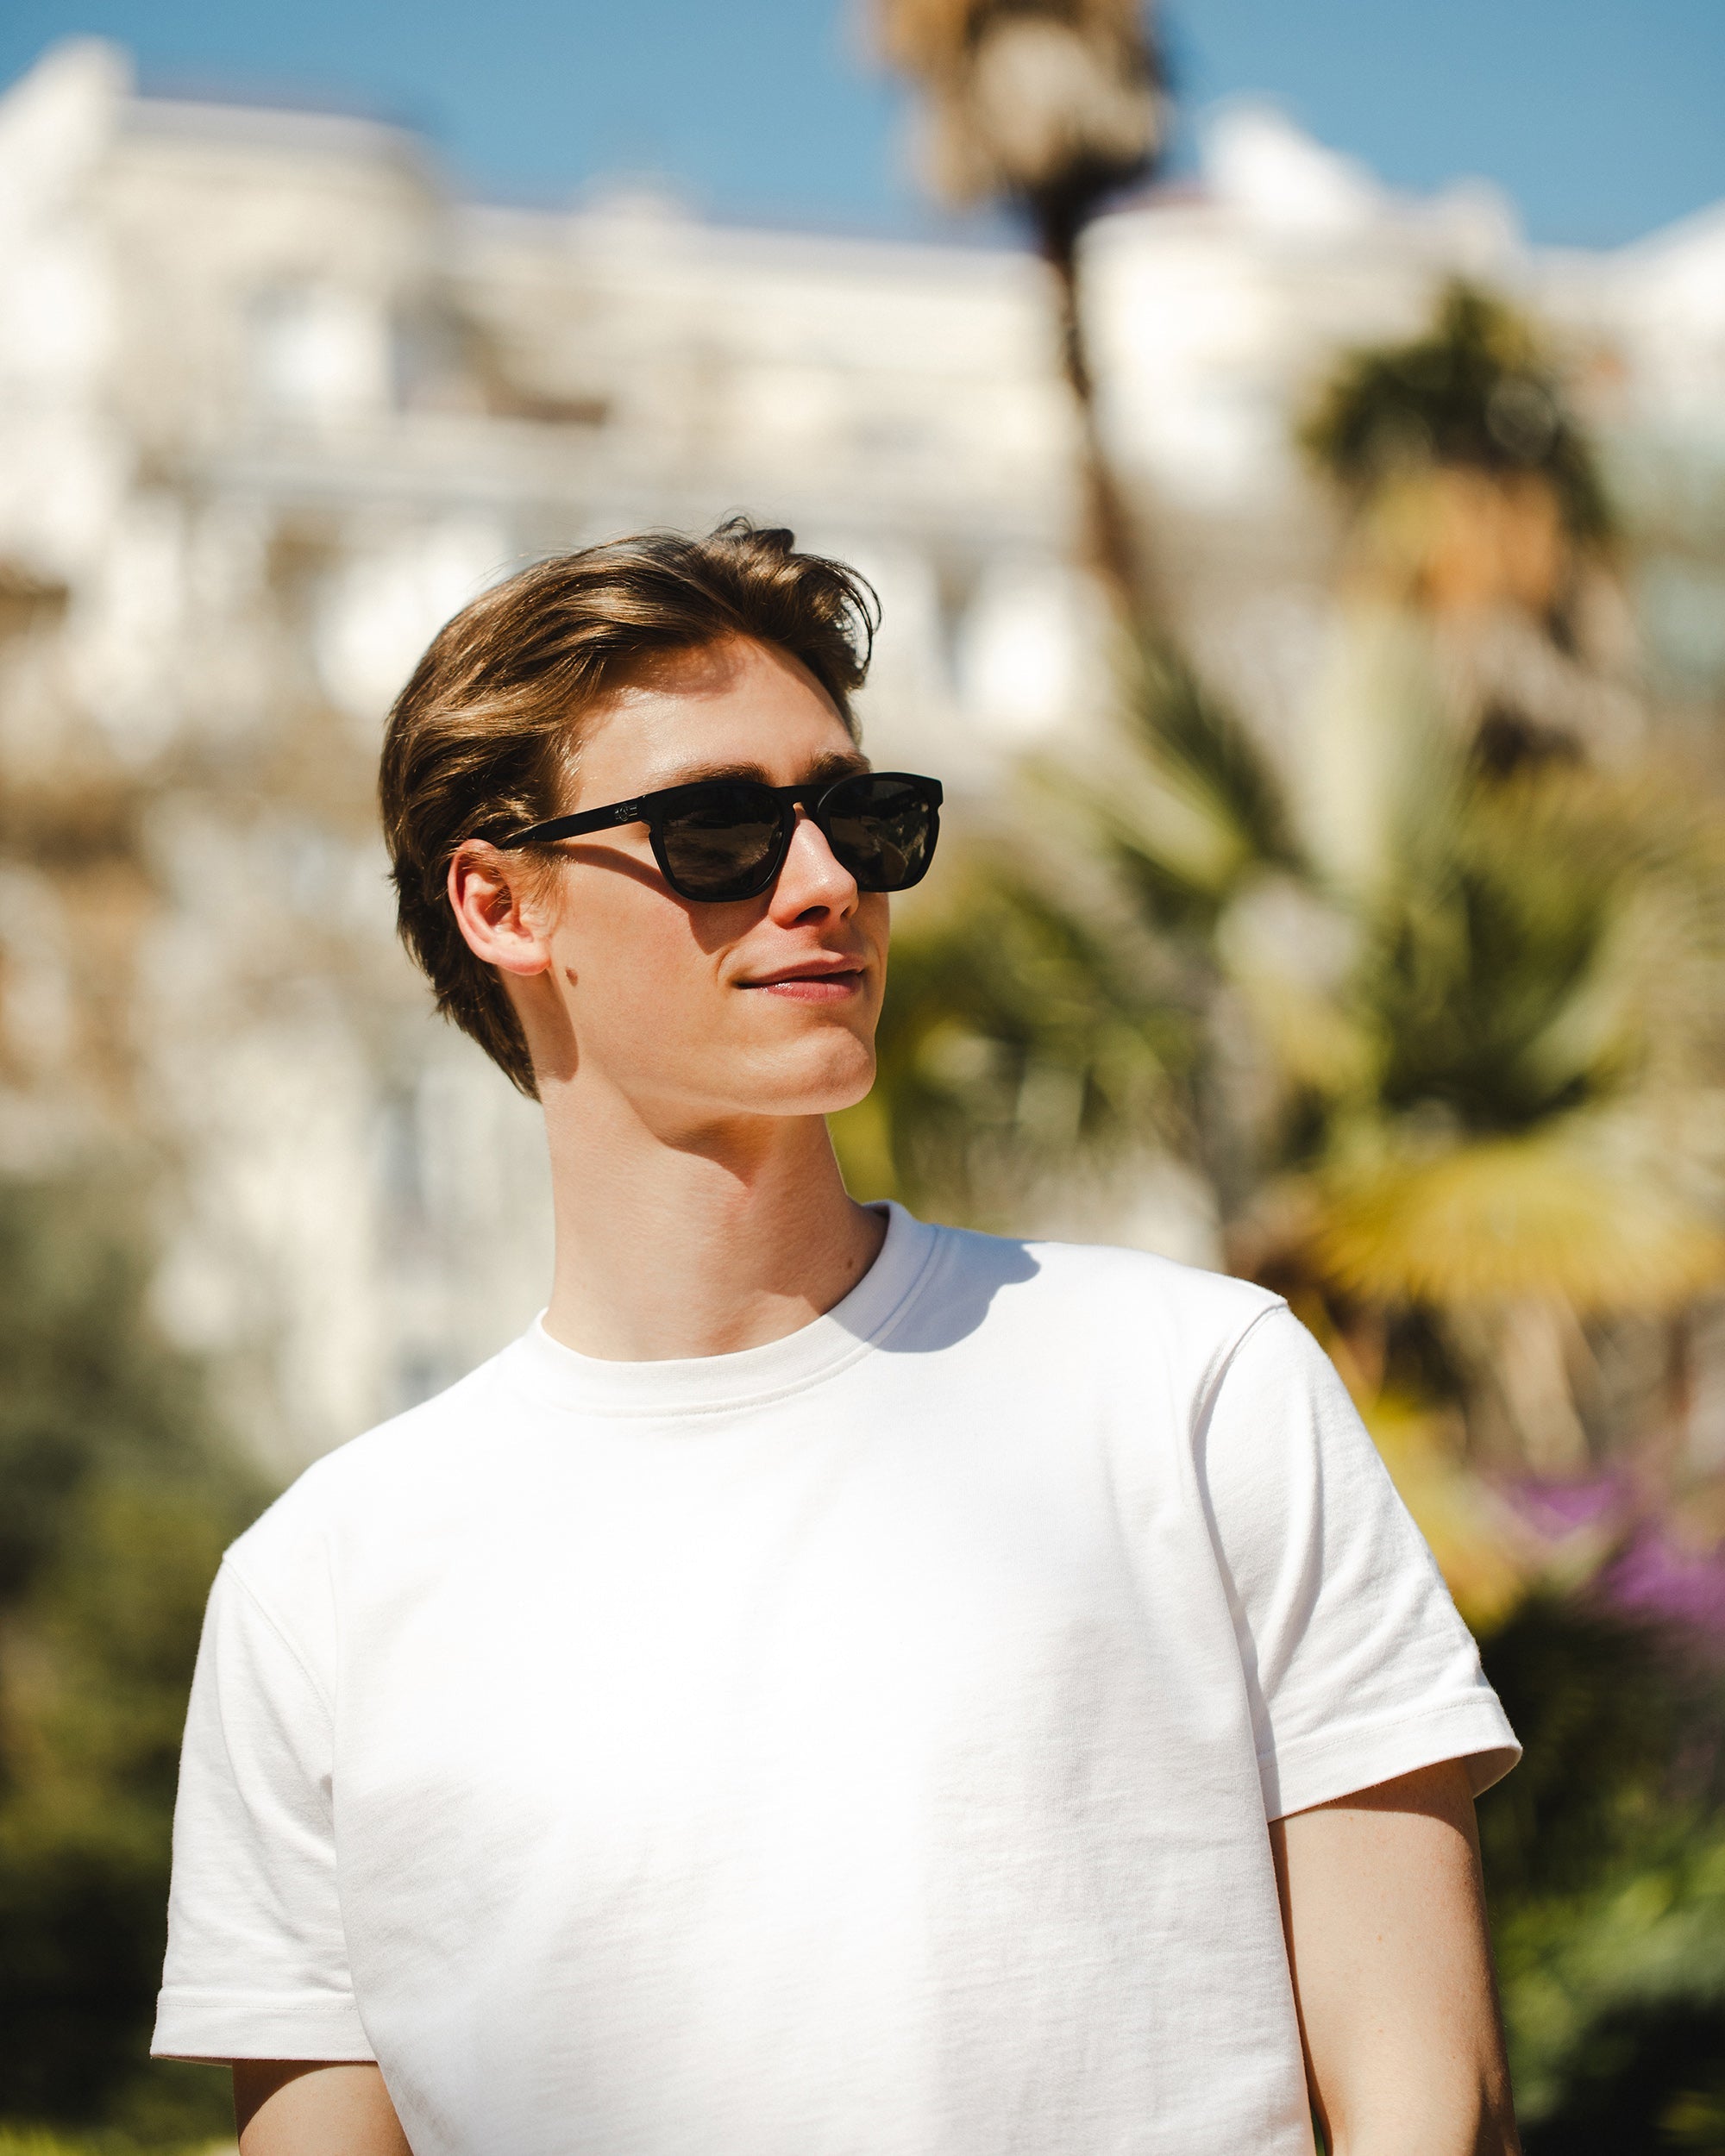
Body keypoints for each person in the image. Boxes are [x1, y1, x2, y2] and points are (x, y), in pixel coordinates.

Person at [153, 520, 1521, 2156]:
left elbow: (1428, 2098)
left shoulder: (1193, 1387)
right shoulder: (320, 1592)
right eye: (719, 830)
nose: (826, 887)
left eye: (862, 820)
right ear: (501, 903)